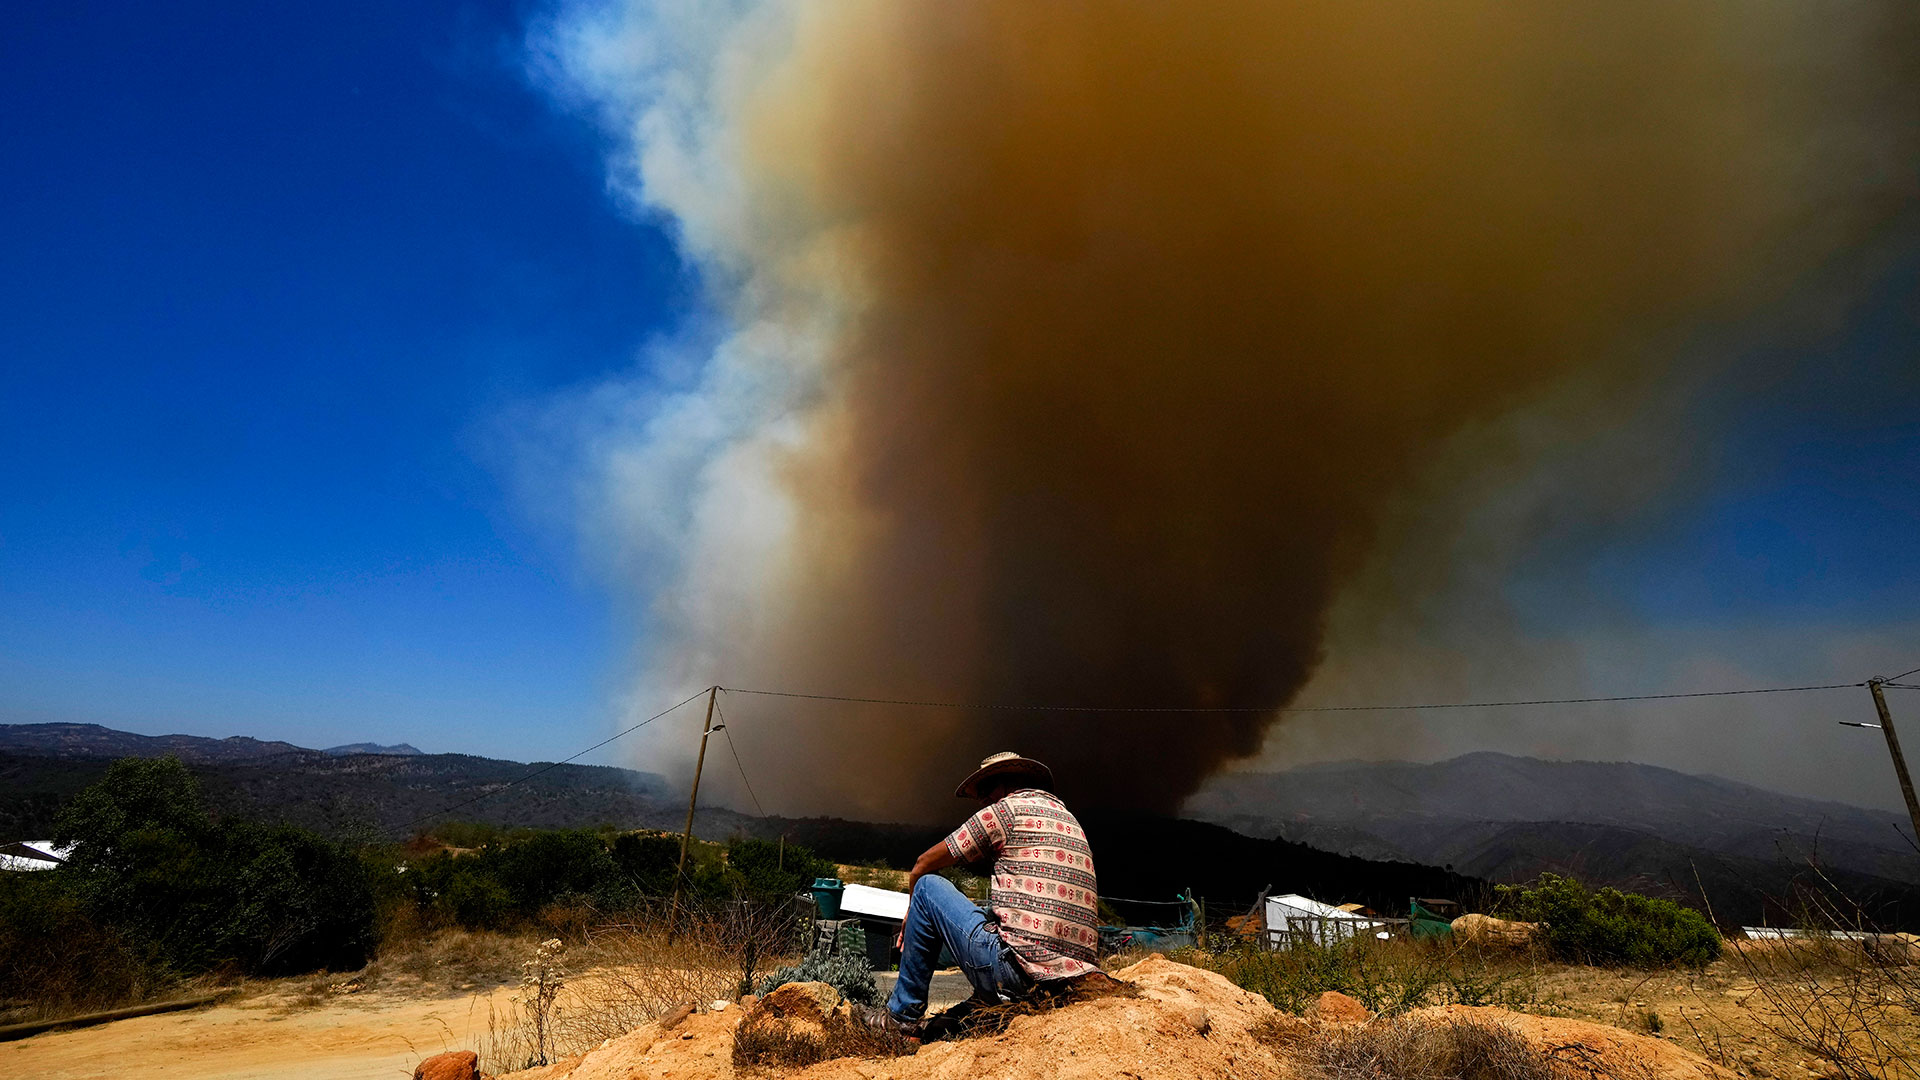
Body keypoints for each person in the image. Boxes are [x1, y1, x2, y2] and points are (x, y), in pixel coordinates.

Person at [874, 751, 1101, 1035]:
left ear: (1008, 783)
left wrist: (911, 912)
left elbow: (924, 863)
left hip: (1015, 975)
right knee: (988, 917)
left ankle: (900, 1017)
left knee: (927, 888)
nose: (981, 800)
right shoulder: (1069, 820)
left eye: (985, 789)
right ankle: (966, 1014)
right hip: (1071, 982)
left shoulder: (1006, 811)